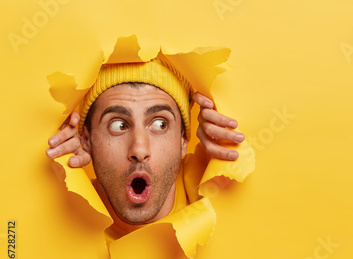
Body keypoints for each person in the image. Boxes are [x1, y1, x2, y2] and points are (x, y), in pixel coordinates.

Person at [46, 57, 244, 241]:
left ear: (183, 140)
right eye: (118, 126)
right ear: (86, 139)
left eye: (160, 124)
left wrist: (231, 149)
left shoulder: (212, 191)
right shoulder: (64, 218)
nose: (139, 150)